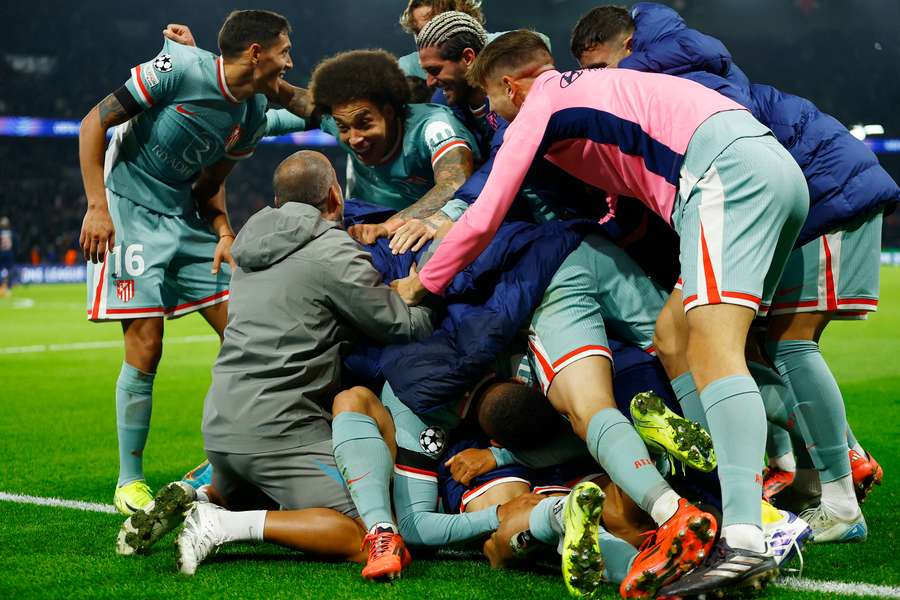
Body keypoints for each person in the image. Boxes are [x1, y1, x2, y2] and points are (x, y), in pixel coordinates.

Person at [392, 31, 810, 597]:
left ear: (510, 87)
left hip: (719, 178)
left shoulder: (539, 105)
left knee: (716, 352)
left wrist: (426, 282)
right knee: (673, 335)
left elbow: (485, 212)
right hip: (767, 167)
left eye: (491, 103)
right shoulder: (600, 87)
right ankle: (746, 492)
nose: (494, 117)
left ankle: (744, 533)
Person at [570, 2, 894, 539]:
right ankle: (778, 476)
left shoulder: (670, 67)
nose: (598, 87)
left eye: (600, 69)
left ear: (625, 46)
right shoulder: (667, 66)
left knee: (790, 344)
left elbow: (721, 127)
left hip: (825, 192)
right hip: (795, 194)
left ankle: (840, 491)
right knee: (715, 341)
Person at [118, 150, 435, 578]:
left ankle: (206, 496)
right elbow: (401, 325)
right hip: (279, 433)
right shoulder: (331, 249)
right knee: (369, 527)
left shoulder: (250, 244)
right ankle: (224, 523)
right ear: (335, 198)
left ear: (278, 200)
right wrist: (421, 294)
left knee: (273, 487)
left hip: (220, 427)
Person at [78, 10, 294, 515]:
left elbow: (209, 184)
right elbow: (95, 122)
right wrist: (96, 207)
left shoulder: (251, 113)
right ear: (256, 53)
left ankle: (240, 460)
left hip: (183, 218)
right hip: (128, 209)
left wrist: (222, 230)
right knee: (147, 345)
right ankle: (130, 480)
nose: (290, 60)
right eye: (284, 51)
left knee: (250, 332)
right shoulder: (178, 67)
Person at [0, 217, 14, 296]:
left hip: (2, 252)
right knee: (9, 270)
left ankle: (2, 286)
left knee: (2, 270)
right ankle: (7, 288)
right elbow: (15, 242)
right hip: (8, 253)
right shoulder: (11, 233)